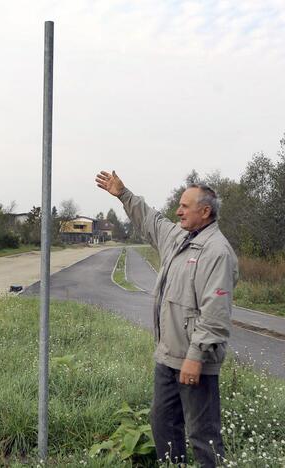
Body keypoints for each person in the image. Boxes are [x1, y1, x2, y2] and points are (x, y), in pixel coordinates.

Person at [95, 170, 238, 467]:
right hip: (168, 358)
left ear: (205, 211)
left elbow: (216, 314)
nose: (178, 210)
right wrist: (123, 194)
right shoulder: (179, 238)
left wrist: (195, 357)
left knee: (203, 437)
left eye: (185, 206)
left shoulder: (217, 251)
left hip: (194, 363)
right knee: (164, 427)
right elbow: (151, 220)